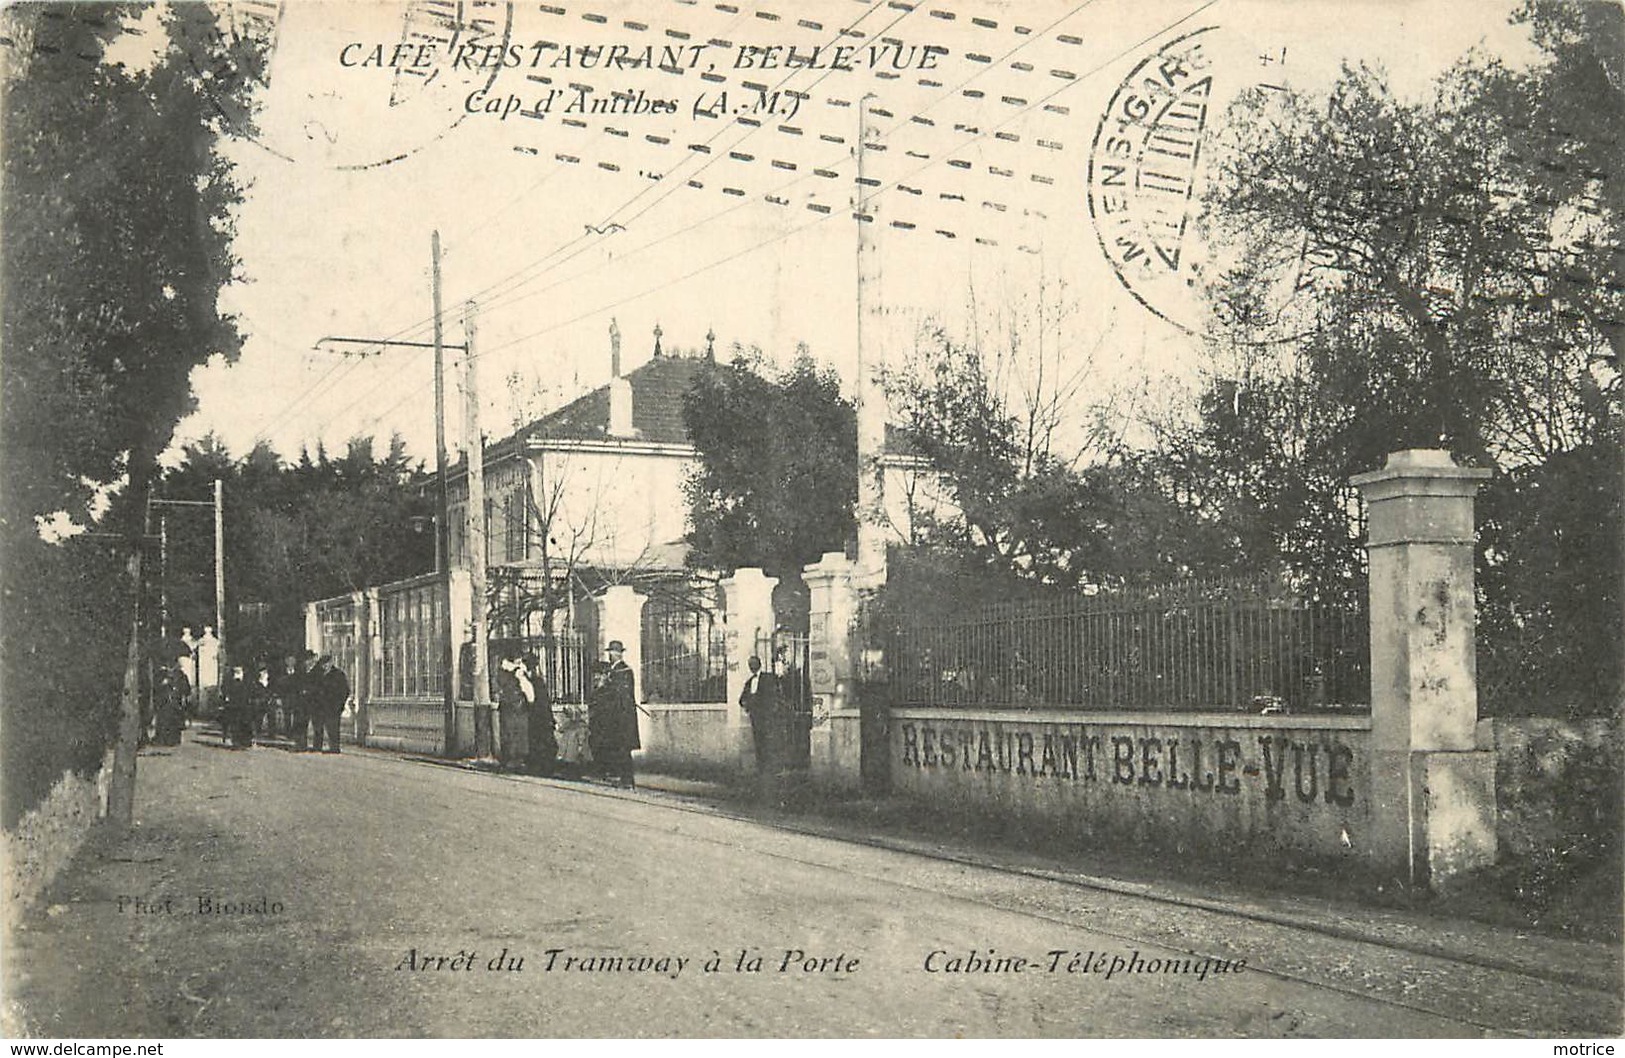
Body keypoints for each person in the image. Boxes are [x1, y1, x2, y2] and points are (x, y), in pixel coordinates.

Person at [589, 640, 640, 788]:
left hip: (622, 718)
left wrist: (605, 685)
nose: (610, 655)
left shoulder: (624, 671)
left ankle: (627, 780)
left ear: (617, 654)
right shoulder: (613, 670)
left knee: (623, 748)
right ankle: (620, 777)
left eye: (611, 652)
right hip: (615, 717)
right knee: (617, 748)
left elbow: (620, 695)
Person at [739, 654, 781, 794]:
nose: (752, 667)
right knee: (758, 741)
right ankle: (761, 766)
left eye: (754, 664)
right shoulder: (749, 681)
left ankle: (771, 768)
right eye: (750, 664)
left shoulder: (768, 678)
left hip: (767, 716)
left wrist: (771, 709)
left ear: (759, 664)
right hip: (755, 717)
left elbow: (775, 695)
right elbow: (742, 699)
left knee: (769, 741)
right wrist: (747, 706)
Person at [521, 651, 557, 776]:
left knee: (539, 741)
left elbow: (535, 701)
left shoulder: (532, 681)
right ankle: (542, 766)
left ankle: (541, 767)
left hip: (537, 716)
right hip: (541, 716)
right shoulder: (538, 681)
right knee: (542, 741)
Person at [495, 653, 528, 772]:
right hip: (509, 706)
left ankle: (518, 759)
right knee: (508, 733)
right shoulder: (505, 671)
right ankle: (509, 759)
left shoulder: (520, 670)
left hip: (519, 706)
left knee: (519, 733)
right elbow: (502, 684)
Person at [310, 654, 349, 754]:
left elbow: (345, 690)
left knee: (333, 728)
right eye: (323, 664)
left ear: (331, 663)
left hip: (332, 707)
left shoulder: (338, 675)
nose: (325, 666)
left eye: (327, 664)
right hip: (318, 707)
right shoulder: (317, 674)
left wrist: (340, 704)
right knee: (318, 728)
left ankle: (334, 747)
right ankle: (317, 746)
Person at [154, 660, 189, 746]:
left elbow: (186, 689)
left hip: (175, 701)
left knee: (174, 721)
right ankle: (162, 739)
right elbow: (155, 687)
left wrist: (181, 693)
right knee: (164, 720)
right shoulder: (161, 674)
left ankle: (174, 740)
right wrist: (162, 684)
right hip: (164, 701)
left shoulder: (181, 675)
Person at [220, 664, 254, 749]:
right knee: (235, 723)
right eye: (235, 667)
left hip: (245, 703)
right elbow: (224, 689)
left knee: (245, 723)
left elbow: (251, 689)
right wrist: (226, 697)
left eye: (239, 667)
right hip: (233, 704)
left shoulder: (247, 678)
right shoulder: (229, 678)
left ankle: (246, 741)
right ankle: (236, 741)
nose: (237, 669)